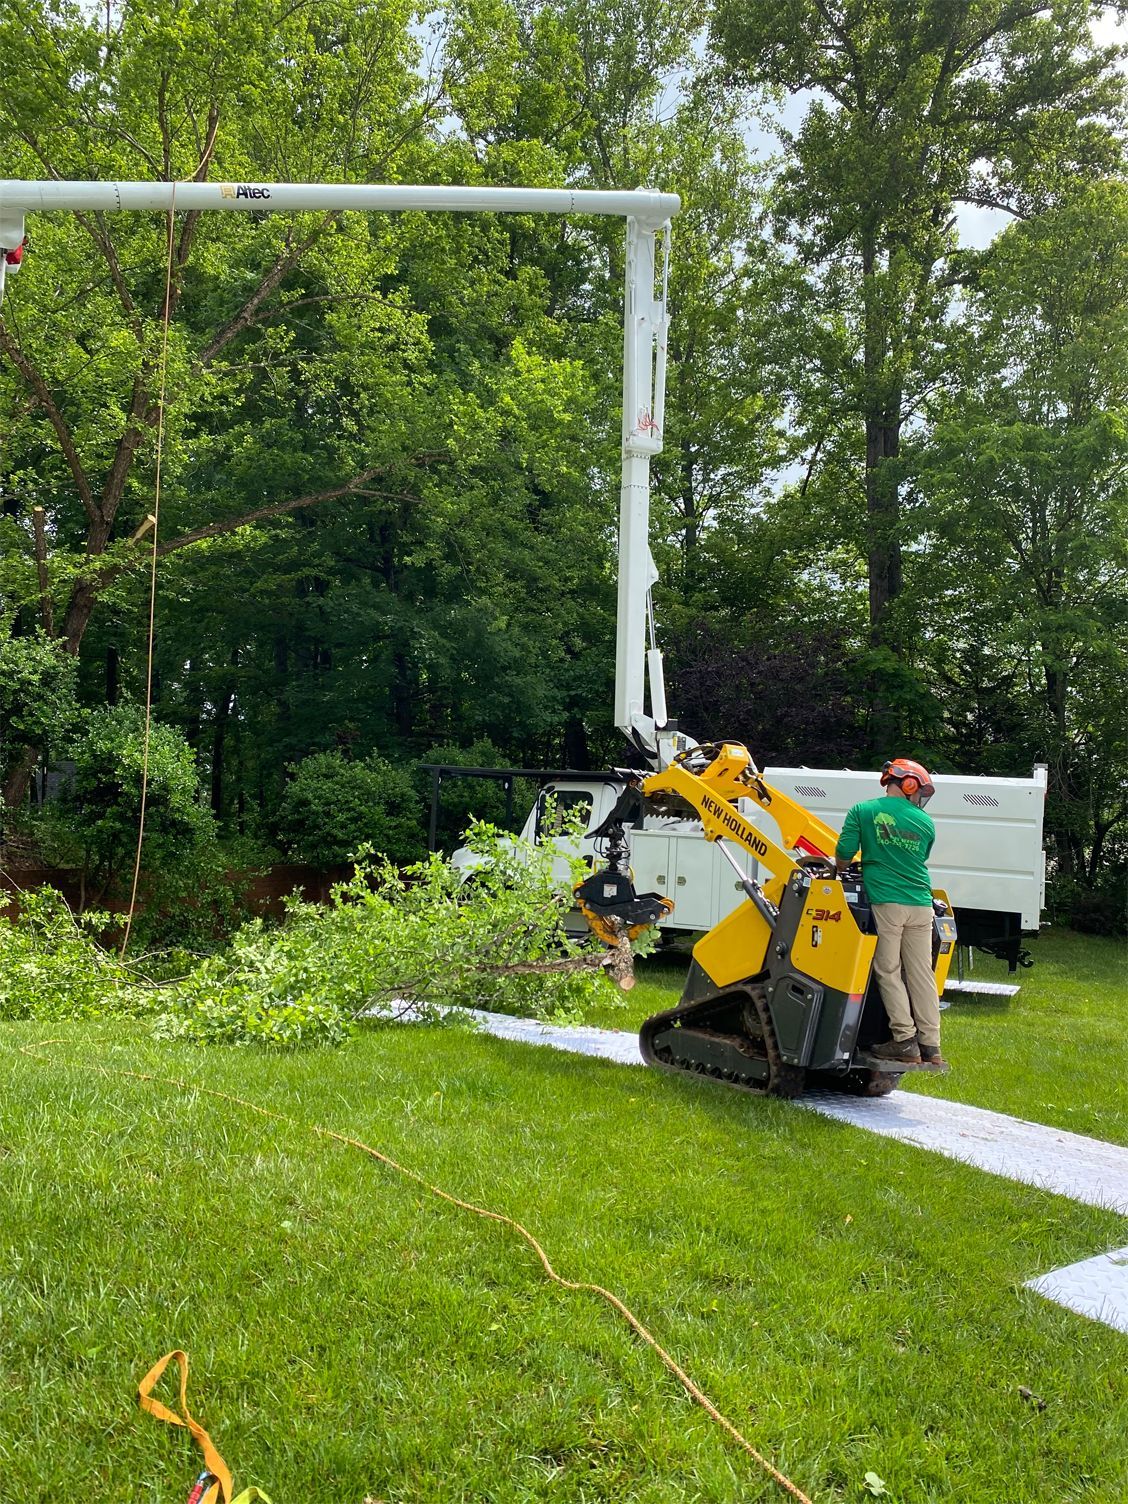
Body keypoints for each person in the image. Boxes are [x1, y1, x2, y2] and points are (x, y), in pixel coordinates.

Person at [835, 758, 945, 1066]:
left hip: (887, 903)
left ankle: (905, 1040)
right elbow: (921, 856)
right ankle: (931, 1045)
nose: (919, 796)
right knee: (922, 974)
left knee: (888, 970)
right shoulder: (925, 822)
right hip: (922, 904)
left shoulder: (864, 810)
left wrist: (841, 868)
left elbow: (844, 852)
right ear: (909, 785)